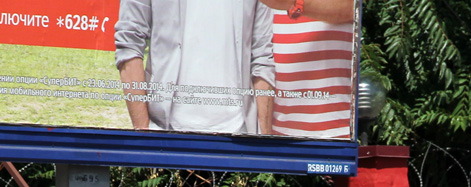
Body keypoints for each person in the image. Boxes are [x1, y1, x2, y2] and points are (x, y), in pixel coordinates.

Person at [115, 0, 275, 134]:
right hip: (164, 133)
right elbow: (129, 43)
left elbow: (262, 56)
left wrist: (263, 143)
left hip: (240, 135)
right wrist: (145, 132)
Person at [259, 0, 355, 138]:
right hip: (280, 137)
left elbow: (350, 8)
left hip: (337, 133)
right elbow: (260, 65)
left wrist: (295, 3)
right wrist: (264, 138)